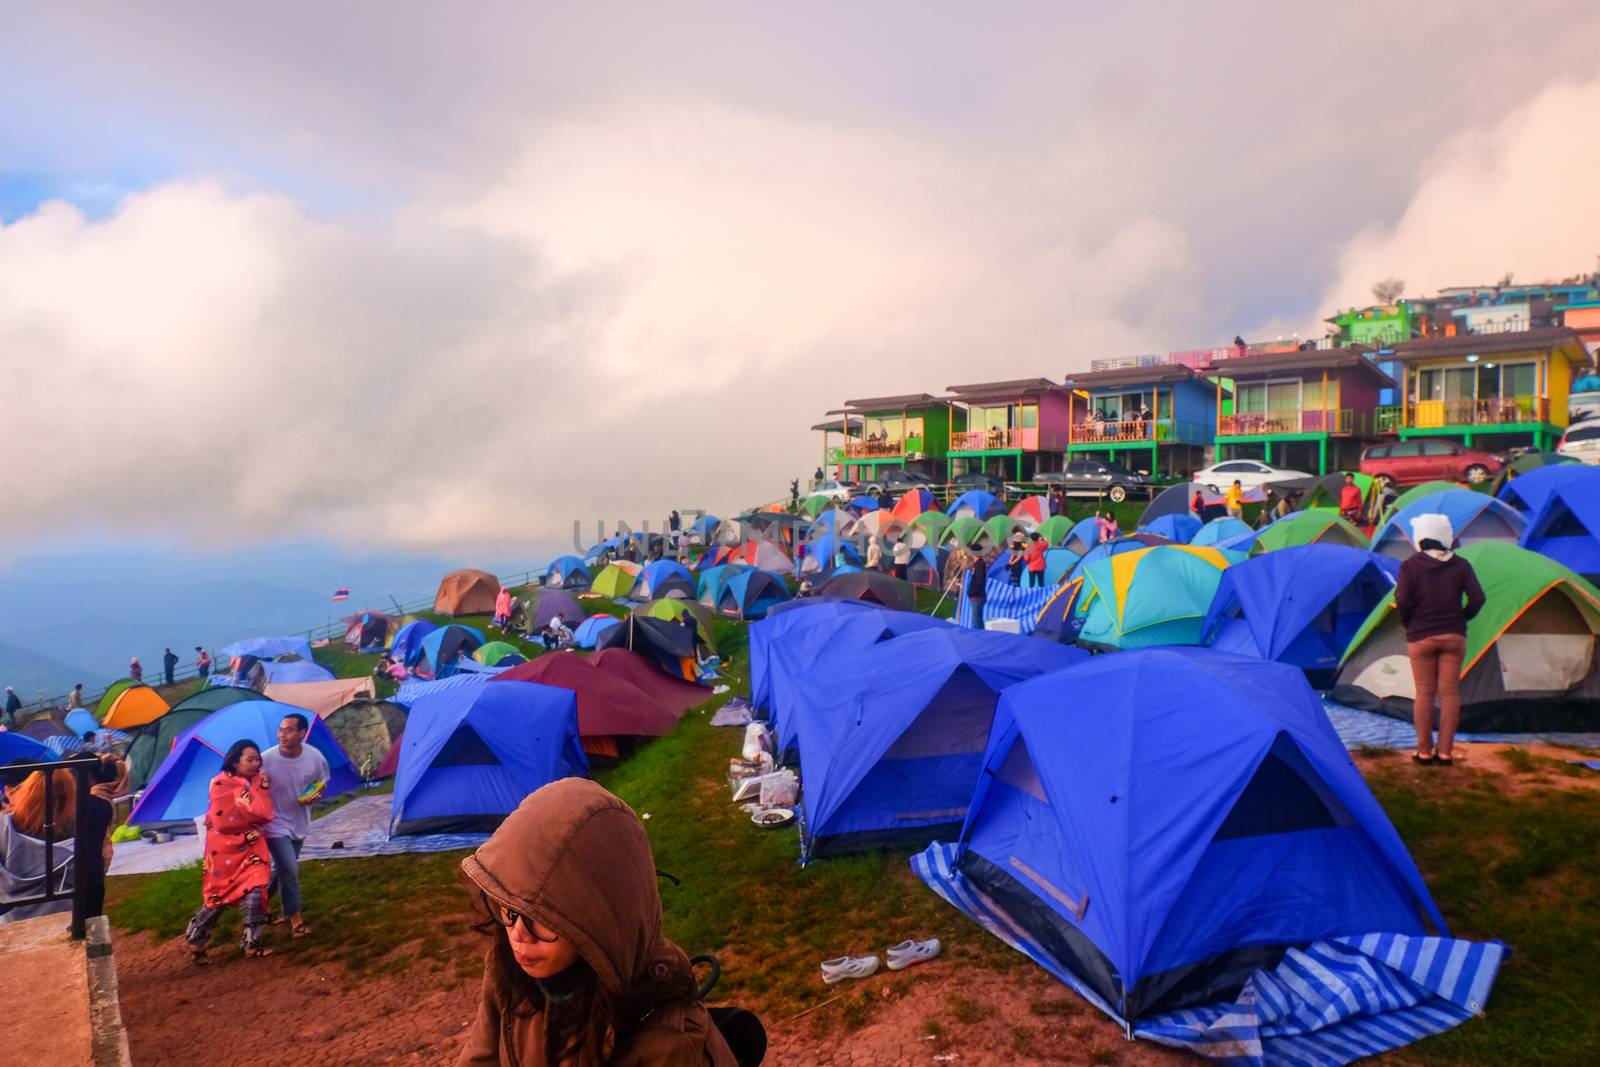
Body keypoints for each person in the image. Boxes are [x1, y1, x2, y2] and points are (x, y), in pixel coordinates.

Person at [455, 778, 739, 1067]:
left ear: (600, 920)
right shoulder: (508, 969)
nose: (518, 934)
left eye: (542, 919)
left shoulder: (670, 1043)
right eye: (509, 908)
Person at [1395, 515, 1485, 766]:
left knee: (1424, 693)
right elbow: (1478, 598)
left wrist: (1408, 623)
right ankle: (1445, 752)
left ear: (1420, 537)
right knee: (1450, 695)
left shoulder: (1410, 566)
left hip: (1420, 636)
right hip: (1454, 636)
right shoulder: (1462, 565)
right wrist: (1462, 619)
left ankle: (1424, 751)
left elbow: (1402, 600)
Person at [184, 740, 276, 963]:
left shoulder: (258, 782)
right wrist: (251, 798)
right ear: (235, 762)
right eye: (250, 759)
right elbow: (223, 821)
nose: (256, 763)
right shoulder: (220, 784)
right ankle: (196, 941)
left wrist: (256, 791)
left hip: (252, 846)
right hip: (223, 850)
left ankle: (252, 944)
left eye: (257, 759)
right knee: (218, 899)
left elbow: (264, 813)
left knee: (255, 891)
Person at [262, 714, 330, 940]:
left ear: (302, 733)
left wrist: (315, 795)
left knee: (281, 870)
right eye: (280, 730)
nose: (282, 734)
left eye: (289, 730)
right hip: (273, 823)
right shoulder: (266, 760)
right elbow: (247, 785)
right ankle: (295, 919)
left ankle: (256, 905)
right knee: (289, 870)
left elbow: (321, 782)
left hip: (299, 819)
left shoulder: (314, 757)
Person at [967, 551, 989, 630]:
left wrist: (972, 592)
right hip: (978, 595)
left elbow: (979, 580)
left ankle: (976, 638)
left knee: (976, 621)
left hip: (977, 596)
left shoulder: (979, 565)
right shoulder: (978, 564)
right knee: (978, 620)